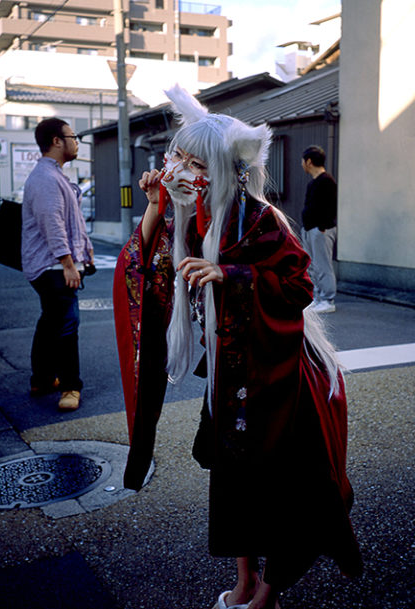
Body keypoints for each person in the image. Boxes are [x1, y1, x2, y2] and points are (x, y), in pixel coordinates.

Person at [113, 87, 361, 609]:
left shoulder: (261, 218)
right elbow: (145, 271)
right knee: (234, 483)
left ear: (226, 169)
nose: (176, 166)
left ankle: (267, 594)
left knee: (283, 488)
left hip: (279, 374)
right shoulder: (189, 209)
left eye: (192, 160)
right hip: (233, 377)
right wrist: (157, 207)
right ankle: (246, 581)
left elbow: (299, 288)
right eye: (175, 154)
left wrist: (230, 274)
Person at [21, 118, 93, 412]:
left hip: (50, 265)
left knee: (50, 321)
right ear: (56, 141)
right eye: (72, 136)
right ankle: (69, 386)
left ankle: (41, 378)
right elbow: (52, 222)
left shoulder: (51, 176)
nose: (76, 142)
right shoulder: (46, 179)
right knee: (66, 326)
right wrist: (68, 263)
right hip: (53, 266)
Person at [300, 145, 338, 314]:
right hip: (309, 229)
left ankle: (328, 299)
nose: (301, 164)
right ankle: (316, 298)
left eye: (302, 161)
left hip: (321, 229)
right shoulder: (312, 183)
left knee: (323, 265)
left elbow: (331, 208)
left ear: (309, 161)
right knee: (312, 266)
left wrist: (322, 227)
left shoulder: (327, 181)